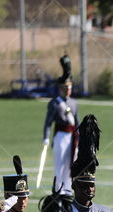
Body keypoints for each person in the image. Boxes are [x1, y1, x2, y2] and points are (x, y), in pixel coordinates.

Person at [42, 56, 79, 194]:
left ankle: (68, 188)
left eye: (69, 87)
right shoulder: (54, 103)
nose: (68, 89)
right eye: (65, 87)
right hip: (60, 135)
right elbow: (48, 122)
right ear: (60, 88)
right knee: (60, 164)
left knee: (71, 164)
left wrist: (80, 137)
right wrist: (46, 137)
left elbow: (77, 121)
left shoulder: (74, 103)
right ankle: (58, 188)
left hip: (72, 136)